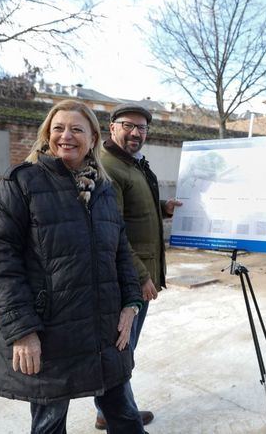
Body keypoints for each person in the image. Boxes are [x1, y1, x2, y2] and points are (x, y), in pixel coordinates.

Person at [0, 100, 147, 434]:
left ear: (93, 138)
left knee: (126, 417)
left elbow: (120, 251)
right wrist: (22, 331)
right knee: (49, 426)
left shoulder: (102, 188)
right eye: (58, 128)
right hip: (50, 334)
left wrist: (130, 303)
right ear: (47, 134)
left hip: (104, 332)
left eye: (76, 129)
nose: (66, 136)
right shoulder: (22, 183)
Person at [96, 102, 181, 430]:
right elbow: (112, 229)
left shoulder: (130, 164)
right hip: (126, 278)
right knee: (121, 351)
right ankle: (121, 415)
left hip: (135, 273)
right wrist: (141, 276)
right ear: (112, 127)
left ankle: (109, 411)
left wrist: (164, 208)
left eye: (142, 128)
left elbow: (133, 211)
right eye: (128, 125)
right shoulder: (108, 168)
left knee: (122, 348)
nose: (135, 132)